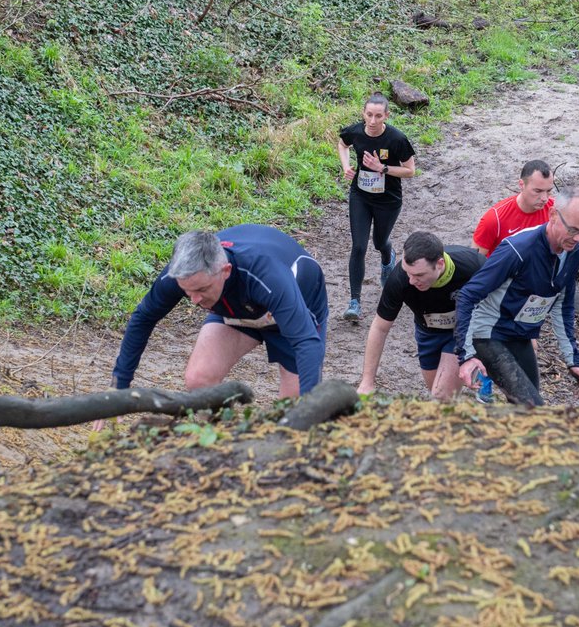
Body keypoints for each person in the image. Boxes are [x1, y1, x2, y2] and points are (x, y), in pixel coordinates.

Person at [107, 224, 327, 402]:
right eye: (187, 291)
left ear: (225, 271)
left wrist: (308, 411)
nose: (194, 300)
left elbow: (306, 343)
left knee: (293, 406)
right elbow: (143, 317)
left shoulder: (266, 275)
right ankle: (217, 445)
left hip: (293, 304)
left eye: (201, 289)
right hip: (237, 307)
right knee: (199, 380)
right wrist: (119, 386)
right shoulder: (184, 275)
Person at [455, 180, 579, 406]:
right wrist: (466, 355)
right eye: (573, 230)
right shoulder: (518, 249)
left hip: (519, 334)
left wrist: (573, 362)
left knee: (527, 405)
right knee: (531, 407)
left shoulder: (575, 250)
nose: (578, 238)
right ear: (552, 215)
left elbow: (563, 304)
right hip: (487, 332)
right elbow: (467, 295)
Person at [358, 231, 485, 400]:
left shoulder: (472, 266)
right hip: (428, 333)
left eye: (419, 275)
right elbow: (380, 328)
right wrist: (367, 382)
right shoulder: (399, 279)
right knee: (440, 397)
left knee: (441, 396)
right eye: (407, 272)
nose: (411, 280)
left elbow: (506, 293)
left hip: (463, 332)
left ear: (439, 264)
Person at [337, 92, 416, 323]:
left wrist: (383, 168)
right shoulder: (355, 131)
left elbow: (410, 170)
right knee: (359, 246)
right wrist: (346, 166)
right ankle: (355, 302)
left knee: (379, 242)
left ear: (386, 116)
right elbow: (342, 144)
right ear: (363, 113)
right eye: (369, 115)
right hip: (360, 195)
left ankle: (387, 256)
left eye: (378, 116)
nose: (372, 121)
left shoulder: (396, 139)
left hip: (388, 199)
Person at [472, 160, 555, 257]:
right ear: (521, 184)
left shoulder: (556, 210)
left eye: (548, 191)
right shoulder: (494, 219)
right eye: (537, 191)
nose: (544, 198)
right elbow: (474, 262)